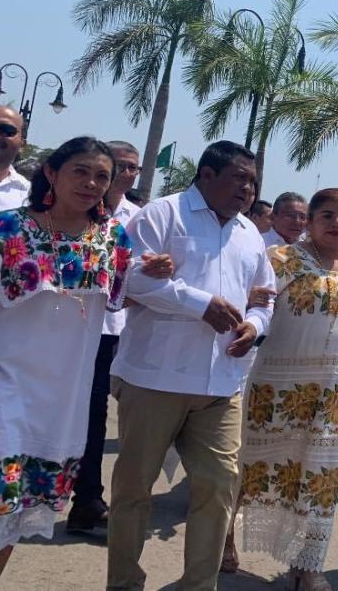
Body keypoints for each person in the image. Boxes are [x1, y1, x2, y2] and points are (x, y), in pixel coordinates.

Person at [0, 137, 144, 590]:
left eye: (102, 176)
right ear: (51, 173)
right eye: (80, 171)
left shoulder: (113, 238)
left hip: (61, 396)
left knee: (17, 510)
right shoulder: (3, 228)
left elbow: (129, 293)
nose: (91, 183)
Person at [106, 141, 277, 591]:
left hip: (221, 384)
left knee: (219, 487)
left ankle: (199, 585)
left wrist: (255, 326)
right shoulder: (163, 214)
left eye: (253, 181)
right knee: (133, 490)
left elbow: (265, 296)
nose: (248, 189)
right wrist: (200, 304)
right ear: (206, 174)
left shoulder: (249, 234)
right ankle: (124, 583)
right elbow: (126, 276)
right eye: (239, 178)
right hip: (155, 378)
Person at [235, 189, 338, 591]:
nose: (336, 223)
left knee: (321, 477)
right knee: (251, 468)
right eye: (326, 215)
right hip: (277, 384)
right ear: (309, 221)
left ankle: (307, 564)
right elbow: (253, 305)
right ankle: (224, 540)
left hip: (334, 389)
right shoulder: (280, 260)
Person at [67, 140, 143, 532]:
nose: (127, 173)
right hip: (64, 327)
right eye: (121, 165)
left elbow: (138, 272)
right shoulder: (70, 209)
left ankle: (87, 500)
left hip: (111, 330)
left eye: (134, 168)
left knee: (96, 416)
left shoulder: (137, 218)